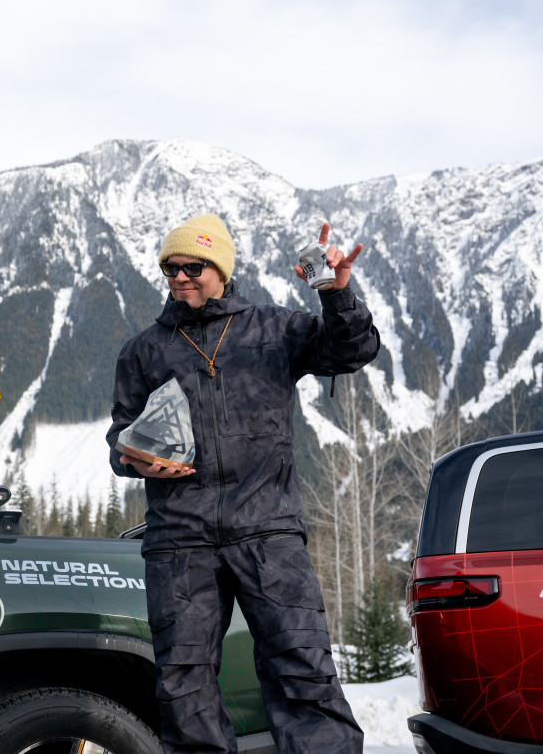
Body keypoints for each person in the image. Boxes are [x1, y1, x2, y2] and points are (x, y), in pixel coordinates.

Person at [106, 213, 378, 754]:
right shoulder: (143, 351)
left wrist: (336, 296)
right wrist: (137, 461)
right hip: (179, 542)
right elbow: (120, 438)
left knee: (304, 672)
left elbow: (352, 351)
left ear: (222, 269)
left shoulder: (275, 329)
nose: (180, 277)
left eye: (193, 267)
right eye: (170, 268)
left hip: (269, 532)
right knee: (185, 690)